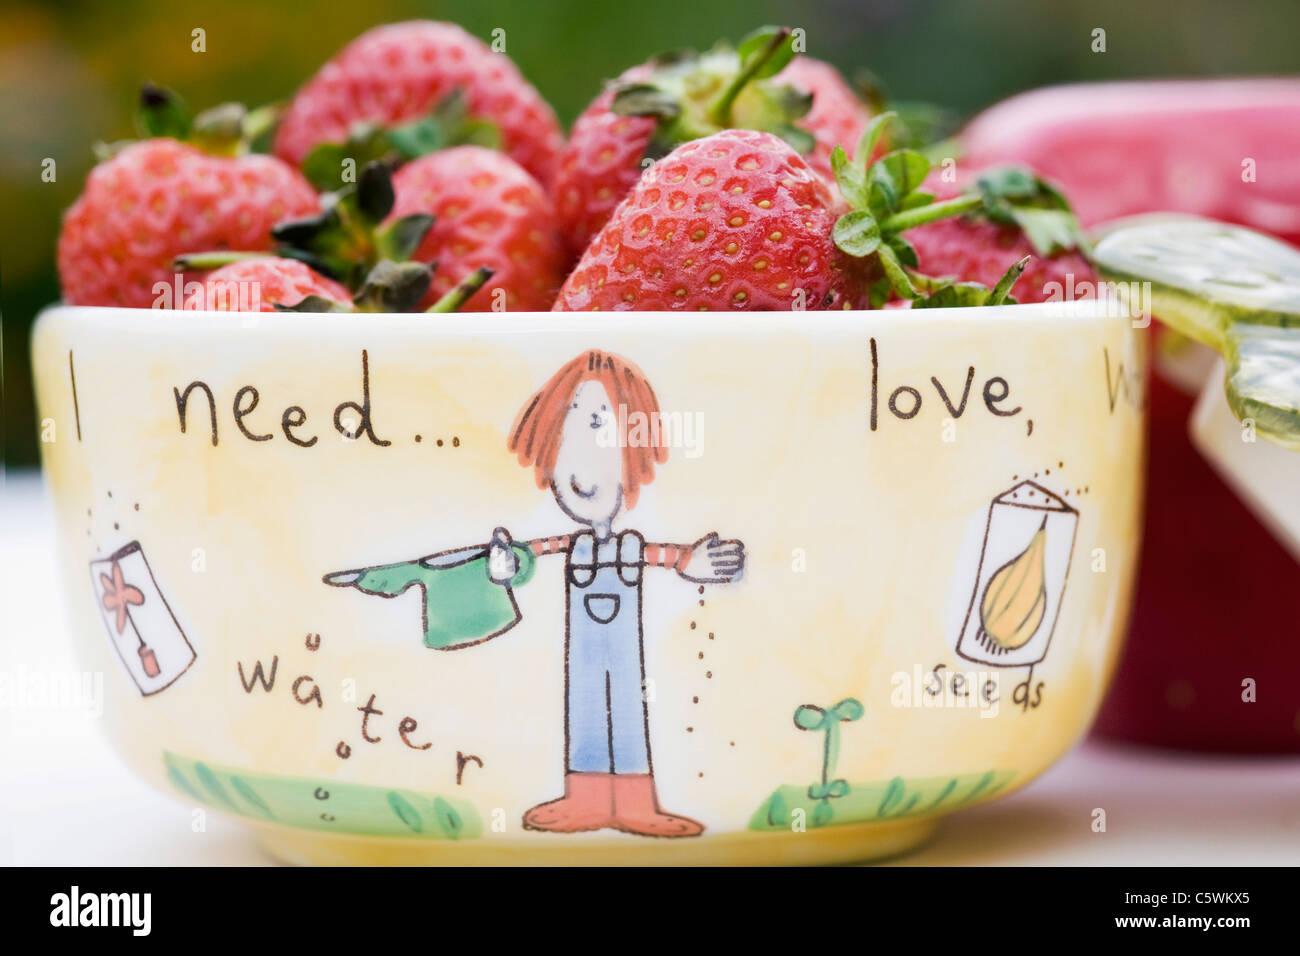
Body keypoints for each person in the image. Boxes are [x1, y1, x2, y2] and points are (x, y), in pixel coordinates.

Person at [494, 349, 745, 837]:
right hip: (584, 650)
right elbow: (532, 554)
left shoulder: (632, 546)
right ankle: (584, 797)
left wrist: (691, 563)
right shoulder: (570, 545)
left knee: (627, 703)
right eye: (566, 436)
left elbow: (661, 555)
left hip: (623, 648)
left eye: (600, 428)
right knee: (586, 703)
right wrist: (508, 565)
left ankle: (635, 801)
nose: (581, 470)